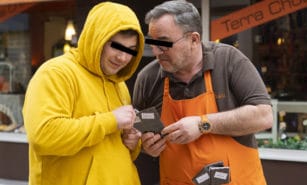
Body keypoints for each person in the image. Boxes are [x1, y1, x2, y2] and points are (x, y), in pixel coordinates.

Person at [132, 0, 273, 185]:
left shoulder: (228, 61)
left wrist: (202, 124)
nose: (157, 52)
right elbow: (139, 130)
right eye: (152, 42)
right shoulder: (148, 79)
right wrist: (146, 144)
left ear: (194, 39)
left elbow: (264, 116)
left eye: (164, 43)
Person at [22, 2, 144, 185]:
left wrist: (132, 142)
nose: (123, 57)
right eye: (116, 47)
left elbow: (115, 146)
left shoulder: (119, 84)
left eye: (131, 50)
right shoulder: (56, 73)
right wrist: (111, 120)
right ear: (96, 39)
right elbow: (43, 136)